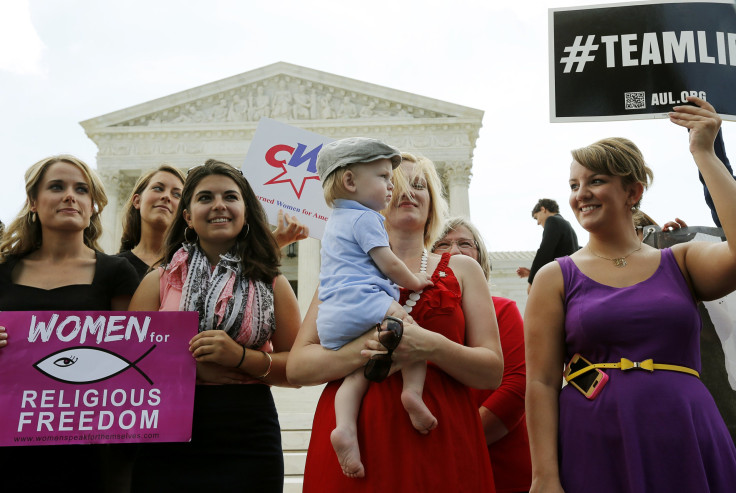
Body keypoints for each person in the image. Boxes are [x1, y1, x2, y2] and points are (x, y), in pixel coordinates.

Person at [525, 97, 736, 493]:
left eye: (596, 181)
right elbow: (541, 382)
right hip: (593, 442)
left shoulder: (683, 260)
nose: (581, 194)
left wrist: (704, 153)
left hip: (686, 435)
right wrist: (544, 476)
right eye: (574, 185)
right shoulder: (555, 277)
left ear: (632, 192)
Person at [287, 152, 503, 491]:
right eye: (394, 183)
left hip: (439, 438)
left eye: (420, 185)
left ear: (433, 203)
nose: (407, 192)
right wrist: (367, 350)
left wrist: (430, 345)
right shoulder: (340, 274)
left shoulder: (463, 269)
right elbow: (298, 367)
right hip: (357, 443)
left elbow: (492, 371)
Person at [128, 159, 301, 492]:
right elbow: (127, 364)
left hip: (248, 436)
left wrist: (239, 357)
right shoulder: (158, 281)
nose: (219, 204)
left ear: (246, 212)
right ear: (188, 216)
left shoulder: (274, 283)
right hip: (166, 432)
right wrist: (192, 371)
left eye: (230, 197)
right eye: (205, 197)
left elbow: (297, 369)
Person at [0, 154, 139, 492]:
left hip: (93, 451)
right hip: (11, 445)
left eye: (81, 189)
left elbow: (134, 358)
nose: (69, 196)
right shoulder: (3, 270)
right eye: (56, 187)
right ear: (33, 202)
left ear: (93, 205)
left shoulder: (117, 273)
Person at [315, 138, 434, 478]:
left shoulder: (334, 222)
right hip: (366, 301)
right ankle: (413, 395)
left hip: (334, 317)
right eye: (384, 177)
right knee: (414, 339)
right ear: (351, 182)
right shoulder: (366, 218)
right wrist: (415, 281)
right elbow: (388, 263)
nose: (390, 186)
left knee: (356, 374)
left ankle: (344, 429)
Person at [433, 217, 532, 493]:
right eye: (442, 244)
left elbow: (516, 386)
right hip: (434, 468)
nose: (454, 251)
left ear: (481, 257)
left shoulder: (503, 310)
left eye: (465, 243)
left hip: (499, 462)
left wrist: (452, 445)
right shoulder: (417, 319)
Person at [118, 164, 186, 280]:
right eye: (158, 188)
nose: (166, 196)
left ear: (184, 213)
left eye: (176, 194)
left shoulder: (192, 268)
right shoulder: (111, 267)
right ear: (137, 201)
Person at [517, 198, 578, 293]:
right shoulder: (566, 225)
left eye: (537, 217)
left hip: (560, 284)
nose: (538, 223)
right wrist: (531, 272)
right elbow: (558, 255)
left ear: (543, 209)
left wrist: (532, 281)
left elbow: (545, 251)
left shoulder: (552, 220)